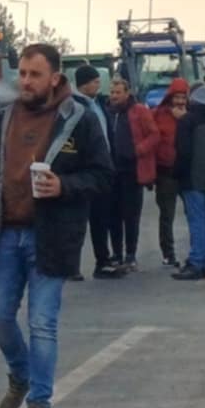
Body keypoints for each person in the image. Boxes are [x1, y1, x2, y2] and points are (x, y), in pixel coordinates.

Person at [0, 43, 111, 408]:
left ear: (55, 77)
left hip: (51, 238)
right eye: (21, 73)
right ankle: (20, 374)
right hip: (6, 233)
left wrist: (63, 185)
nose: (26, 81)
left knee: (42, 323)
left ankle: (39, 406)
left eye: (35, 75)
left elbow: (104, 177)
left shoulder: (79, 119)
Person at [73, 65, 122, 278]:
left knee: (101, 217)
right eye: (94, 81)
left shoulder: (98, 104)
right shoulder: (74, 107)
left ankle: (103, 261)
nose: (98, 84)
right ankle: (71, 266)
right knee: (77, 221)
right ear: (83, 84)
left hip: (102, 169)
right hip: (84, 170)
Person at [172, 83, 205, 279]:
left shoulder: (187, 121)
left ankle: (195, 262)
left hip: (192, 177)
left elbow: (182, 152)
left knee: (196, 221)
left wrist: (177, 175)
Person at [108, 73, 154, 271]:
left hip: (132, 171)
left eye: (118, 92)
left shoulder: (139, 111)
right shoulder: (108, 112)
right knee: (113, 215)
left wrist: (139, 150)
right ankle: (116, 253)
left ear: (127, 93)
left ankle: (130, 254)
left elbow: (154, 135)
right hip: (112, 172)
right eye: (112, 92)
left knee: (131, 215)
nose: (114, 96)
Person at [150, 78, 189, 268]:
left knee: (193, 213)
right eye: (177, 97)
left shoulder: (191, 115)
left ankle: (196, 251)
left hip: (188, 171)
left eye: (183, 97)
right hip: (165, 171)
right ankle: (168, 252)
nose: (180, 101)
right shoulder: (157, 115)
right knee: (167, 214)